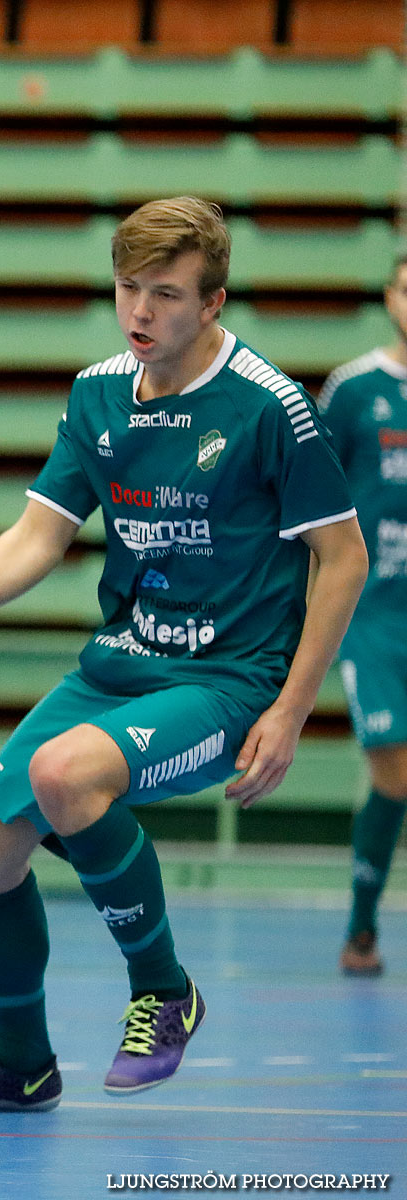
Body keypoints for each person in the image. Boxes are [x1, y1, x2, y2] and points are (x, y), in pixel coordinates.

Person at [0, 197, 367, 1112]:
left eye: (167, 295)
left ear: (214, 302)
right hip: (116, 667)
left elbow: (343, 557)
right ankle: (21, 1064)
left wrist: (292, 710)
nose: (140, 313)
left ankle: (163, 989)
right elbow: (39, 534)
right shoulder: (98, 392)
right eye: (128, 288)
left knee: (70, 778)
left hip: (228, 683)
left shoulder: (270, 407)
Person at [316, 254, 407, 977]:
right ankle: (361, 926)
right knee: (395, 774)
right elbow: (315, 501)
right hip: (374, 615)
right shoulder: (354, 391)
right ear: (389, 296)